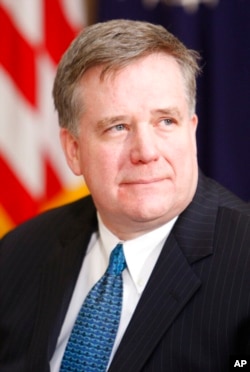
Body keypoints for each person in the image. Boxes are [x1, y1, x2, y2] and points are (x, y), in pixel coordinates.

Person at [0, 19, 250, 372]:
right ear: (73, 150)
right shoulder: (17, 254)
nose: (146, 152)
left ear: (191, 132)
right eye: (117, 127)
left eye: (165, 121)